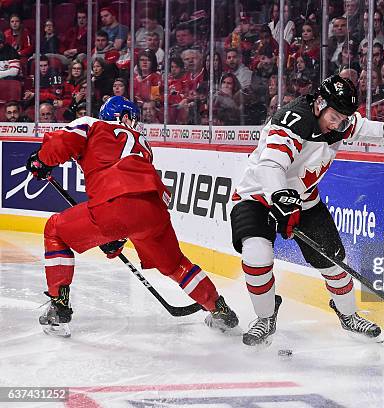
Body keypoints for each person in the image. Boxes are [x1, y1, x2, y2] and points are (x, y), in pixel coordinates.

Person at [230, 75, 384, 346]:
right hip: (256, 196)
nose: (338, 124)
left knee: (334, 262)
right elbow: (270, 166)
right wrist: (280, 198)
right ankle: (265, 317)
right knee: (257, 255)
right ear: (318, 103)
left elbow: (361, 128)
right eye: (335, 116)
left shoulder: (338, 121)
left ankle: (348, 314)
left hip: (303, 200)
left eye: (344, 118)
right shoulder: (291, 121)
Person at [26, 96, 239, 338]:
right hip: (155, 210)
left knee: (55, 230)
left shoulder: (91, 124)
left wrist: (40, 161)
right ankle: (219, 309)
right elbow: (134, 197)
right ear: (126, 117)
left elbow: (61, 143)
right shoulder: (143, 144)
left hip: (114, 206)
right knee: (176, 264)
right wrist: (118, 234)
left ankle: (58, 307)